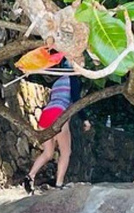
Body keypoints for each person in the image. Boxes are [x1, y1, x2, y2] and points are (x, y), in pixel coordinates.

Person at [23, 59, 91, 194]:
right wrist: (85, 119)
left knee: (48, 153)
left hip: (45, 115)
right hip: (59, 115)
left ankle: (30, 176)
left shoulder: (57, 82)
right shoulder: (73, 80)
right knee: (66, 152)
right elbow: (77, 101)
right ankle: (59, 184)